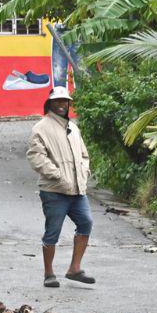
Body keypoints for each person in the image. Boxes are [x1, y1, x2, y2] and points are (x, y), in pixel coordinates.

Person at [27, 86, 94, 287]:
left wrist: (84, 172)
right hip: (54, 190)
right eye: (57, 101)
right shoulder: (41, 128)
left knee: (86, 223)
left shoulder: (73, 128)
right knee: (52, 231)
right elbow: (36, 157)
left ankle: (75, 268)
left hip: (77, 189)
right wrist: (57, 175)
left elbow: (84, 155)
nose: (62, 105)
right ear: (50, 104)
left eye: (65, 101)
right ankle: (49, 274)